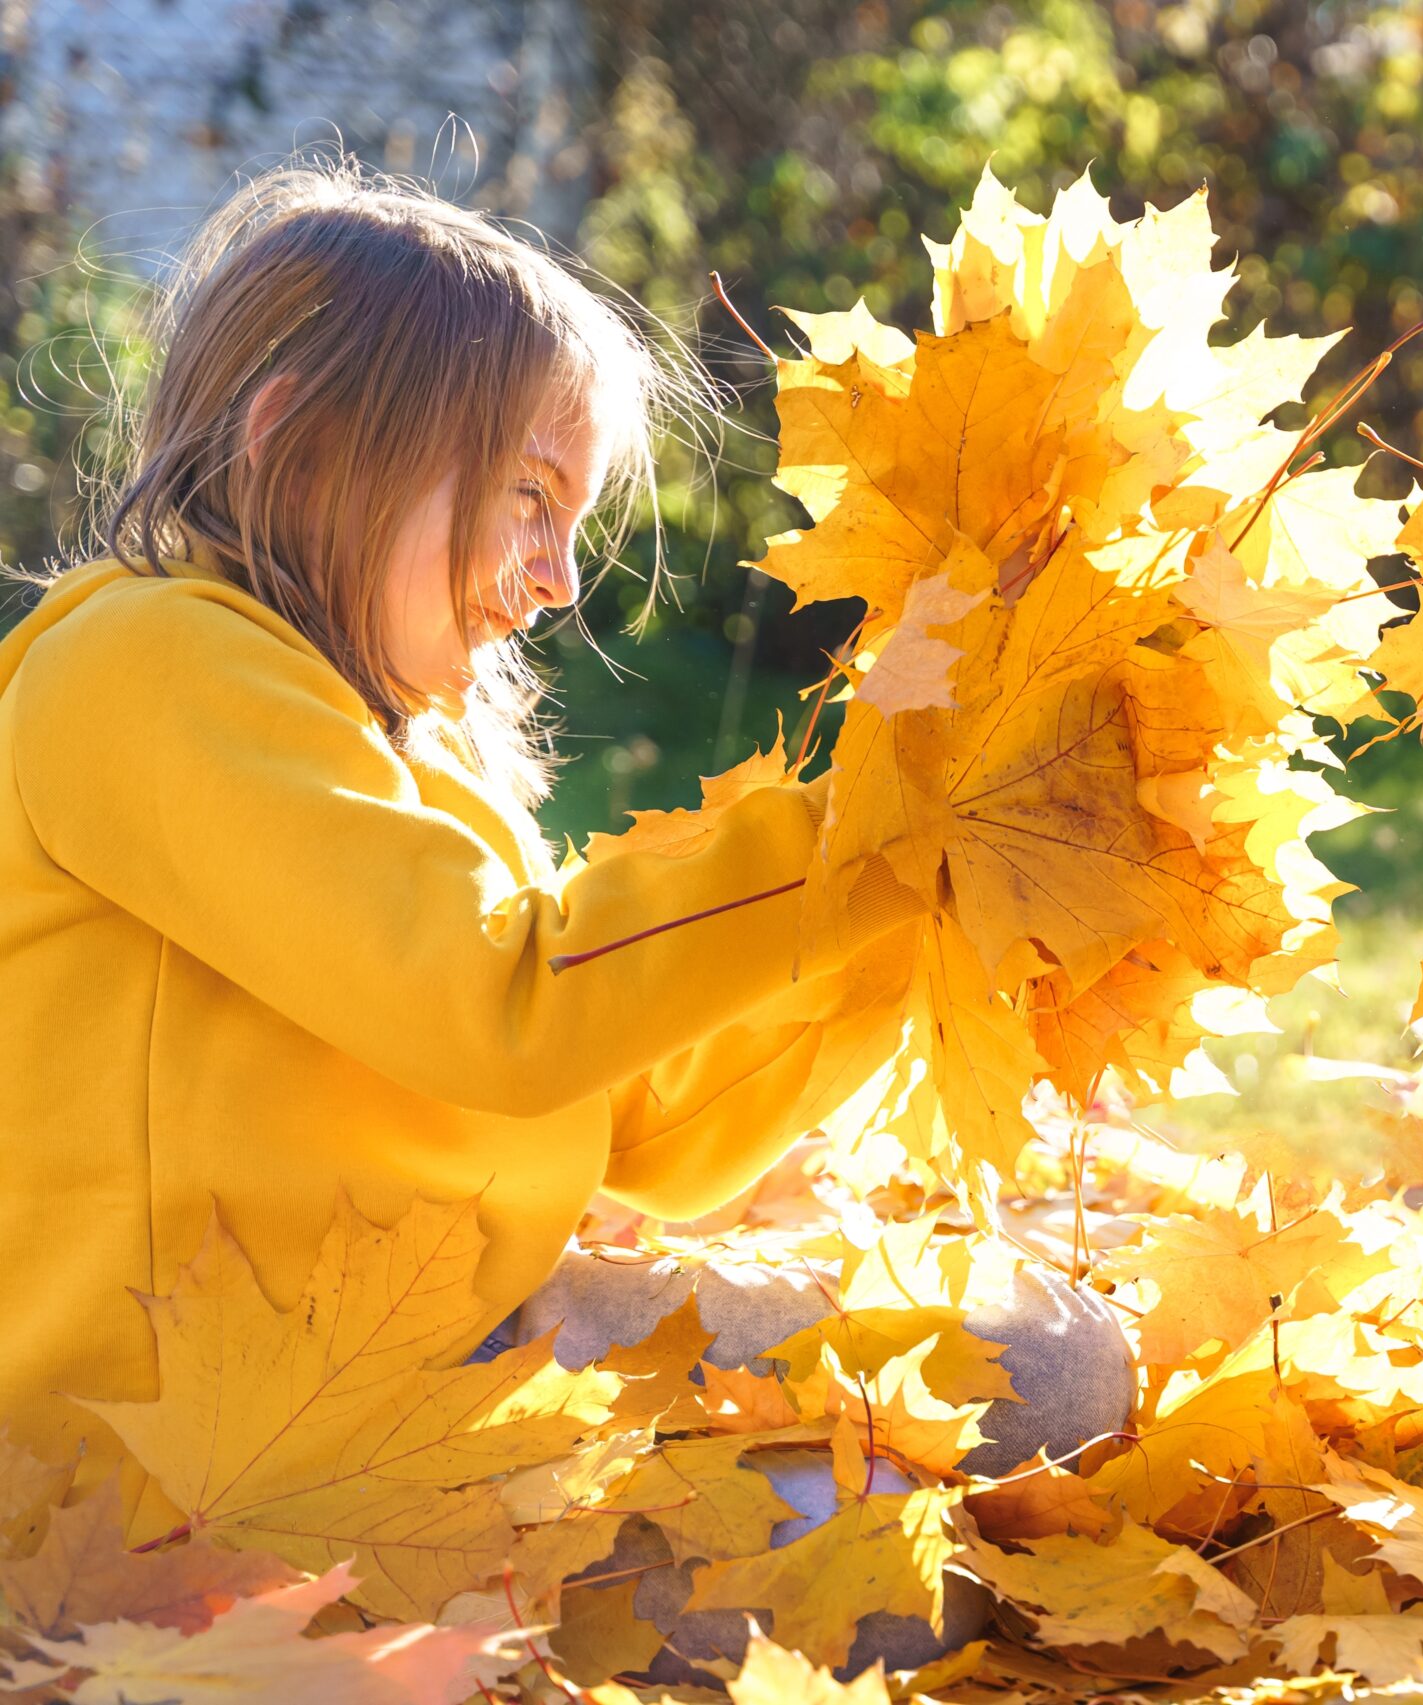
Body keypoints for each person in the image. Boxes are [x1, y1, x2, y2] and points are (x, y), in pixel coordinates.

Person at [0, 161, 1137, 1541]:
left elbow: (643, 1124)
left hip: (465, 1339)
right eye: (531, 501)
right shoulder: (144, 666)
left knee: (1064, 1354)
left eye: (572, 523)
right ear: (295, 445)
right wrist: (877, 831)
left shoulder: (400, 735)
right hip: (215, 1460)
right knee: (866, 1568)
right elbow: (506, 1003)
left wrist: (919, 898)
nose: (556, 583)